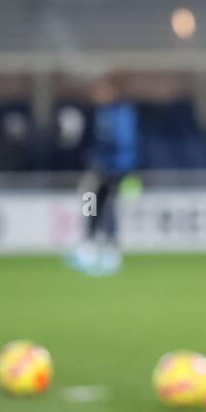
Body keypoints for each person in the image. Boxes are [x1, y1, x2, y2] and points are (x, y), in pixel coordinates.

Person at [68, 77, 137, 276]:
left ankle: (109, 253)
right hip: (103, 168)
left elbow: (121, 142)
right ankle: (90, 248)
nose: (97, 96)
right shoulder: (103, 113)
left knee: (107, 208)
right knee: (92, 204)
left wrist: (104, 161)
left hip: (115, 169)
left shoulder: (120, 113)